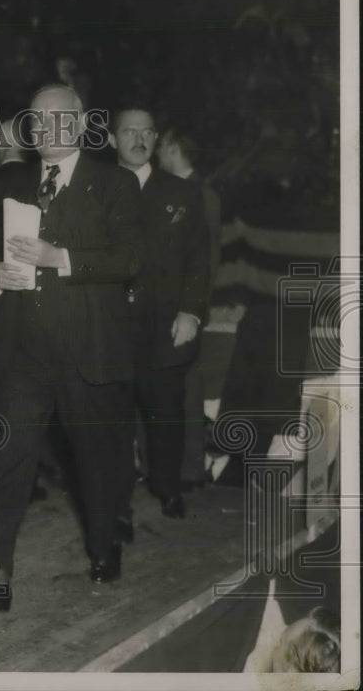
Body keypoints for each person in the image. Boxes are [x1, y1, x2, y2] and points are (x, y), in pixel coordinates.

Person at [0, 84, 142, 611]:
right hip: (22, 351)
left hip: (87, 349)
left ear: (78, 122)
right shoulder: (10, 180)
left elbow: (129, 259)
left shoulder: (113, 182)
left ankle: (102, 547)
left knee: (93, 462)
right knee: (8, 460)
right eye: (35, 119)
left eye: (55, 118)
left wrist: (60, 257)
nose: (43, 128)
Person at [109, 108, 210, 525]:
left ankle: (167, 488)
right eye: (129, 132)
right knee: (110, 421)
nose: (139, 139)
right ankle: (114, 508)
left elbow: (199, 259)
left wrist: (190, 311)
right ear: (112, 139)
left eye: (147, 132)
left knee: (166, 414)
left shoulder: (182, 192)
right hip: (109, 327)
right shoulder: (94, 189)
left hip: (165, 325)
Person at [157, 125, 222, 489]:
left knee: (188, 392)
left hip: (187, 313)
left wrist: (193, 311)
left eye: (160, 146)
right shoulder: (174, 190)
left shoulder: (200, 195)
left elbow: (207, 262)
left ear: (173, 148)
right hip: (169, 308)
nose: (155, 153)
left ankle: (189, 470)